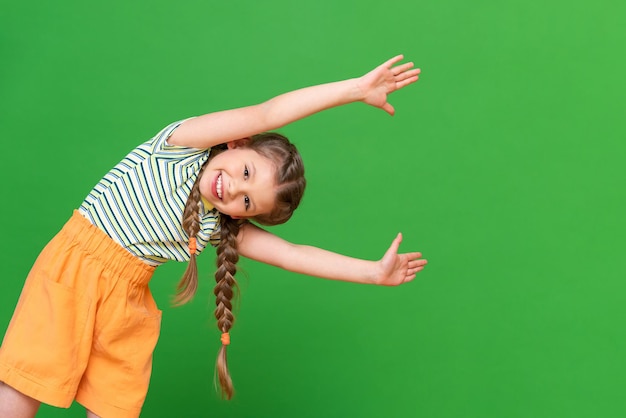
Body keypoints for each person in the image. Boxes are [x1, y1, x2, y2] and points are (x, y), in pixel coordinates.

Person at [0, 54, 427, 418]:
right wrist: (353, 89)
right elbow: (267, 114)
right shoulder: (180, 146)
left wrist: (372, 272)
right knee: (24, 388)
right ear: (235, 143)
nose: (235, 190)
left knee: (113, 406)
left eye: (246, 203)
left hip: (127, 298)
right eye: (246, 172)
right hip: (77, 268)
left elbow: (291, 254)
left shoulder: (214, 224)